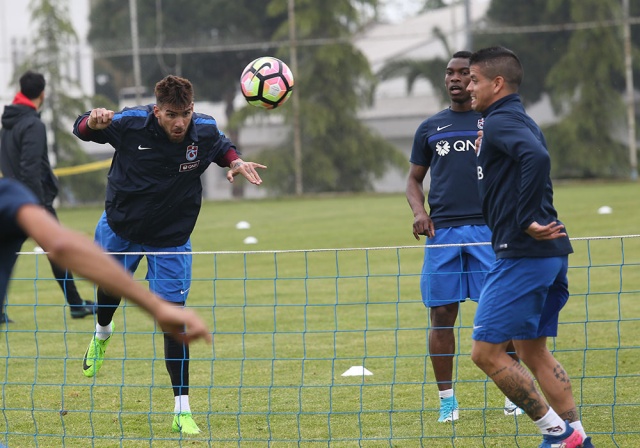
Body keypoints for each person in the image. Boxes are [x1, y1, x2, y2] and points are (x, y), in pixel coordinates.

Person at [72, 74, 266, 435]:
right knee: (108, 291)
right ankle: (102, 333)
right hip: (121, 226)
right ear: (157, 111)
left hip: (171, 237)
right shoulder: (130, 123)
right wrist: (91, 121)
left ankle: (182, 410)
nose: (180, 123)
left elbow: (222, 146)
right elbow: (82, 128)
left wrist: (236, 162)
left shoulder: (203, 129)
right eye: (172, 115)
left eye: (186, 114)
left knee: (174, 320)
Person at [467, 46, 594, 448]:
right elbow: (526, 160)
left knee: (485, 353)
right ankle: (580, 438)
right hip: (548, 255)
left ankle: (558, 434)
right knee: (533, 352)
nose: (468, 87)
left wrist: (524, 219)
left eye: (474, 80)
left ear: (497, 83)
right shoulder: (517, 119)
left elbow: (535, 157)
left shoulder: (501, 121)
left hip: (523, 253)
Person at [406, 51, 522, 423]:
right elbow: (413, 180)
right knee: (442, 314)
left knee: (500, 313)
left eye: (463, 73)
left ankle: (514, 394)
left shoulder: (494, 122)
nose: (455, 79)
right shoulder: (430, 127)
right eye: (449, 73)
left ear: (476, 79)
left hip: (489, 230)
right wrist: (420, 212)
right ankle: (447, 402)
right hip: (443, 232)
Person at [0, 177, 211, 345]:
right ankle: (102, 329)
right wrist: (157, 307)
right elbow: (61, 246)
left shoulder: (8, 196)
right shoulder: (8, 195)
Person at [0, 70, 95, 321]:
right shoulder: (33, 124)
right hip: (32, 203)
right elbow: (30, 169)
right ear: (42, 94)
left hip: (10, 201)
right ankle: (76, 305)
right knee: (58, 251)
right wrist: (37, 208)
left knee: (5, 257)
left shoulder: (7, 124)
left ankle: (75, 304)